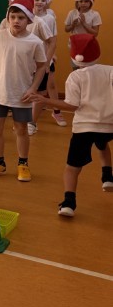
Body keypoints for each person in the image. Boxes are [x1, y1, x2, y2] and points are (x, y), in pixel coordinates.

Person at [29, 34, 113, 216]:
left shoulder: (75, 77)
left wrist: (45, 100)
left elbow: (72, 105)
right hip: (109, 126)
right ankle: (108, 177)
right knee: (102, 145)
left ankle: (69, 203)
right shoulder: (110, 71)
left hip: (84, 128)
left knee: (72, 168)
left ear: (74, 57)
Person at [0, 0, 47, 182]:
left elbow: (42, 67)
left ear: (29, 20)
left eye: (21, 18)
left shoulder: (35, 42)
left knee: (21, 129)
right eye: (13, 17)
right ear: (7, 18)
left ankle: (23, 164)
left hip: (22, 94)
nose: (16, 21)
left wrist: (33, 88)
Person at [29, 0, 65, 131]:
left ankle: (39, 119)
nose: (39, 2)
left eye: (42, 0)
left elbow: (52, 40)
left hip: (44, 60)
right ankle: (26, 118)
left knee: (47, 87)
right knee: (30, 89)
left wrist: (48, 60)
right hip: (29, 61)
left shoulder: (50, 18)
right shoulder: (27, 16)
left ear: (46, 2)